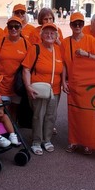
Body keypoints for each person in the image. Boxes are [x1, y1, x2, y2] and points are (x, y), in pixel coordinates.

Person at [61, 12, 95, 155]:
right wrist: (64, 81)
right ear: (70, 25)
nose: (77, 26)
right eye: (74, 24)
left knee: (88, 114)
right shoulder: (65, 42)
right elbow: (64, 64)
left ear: (83, 25)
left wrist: (87, 54)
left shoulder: (90, 40)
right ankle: (73, 141)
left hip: (88, 82)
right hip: (73, 82)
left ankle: (87, 142)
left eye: (80, 24)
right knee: (74, 113)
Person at [22, 23, 64, 156]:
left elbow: (63, 68)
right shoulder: (35, 48)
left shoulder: (58, 50)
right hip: (39, 90)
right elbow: (26, 69)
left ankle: (47, 140)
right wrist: (28, 86)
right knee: (38, 115)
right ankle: (36, 141)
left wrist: (63, 82)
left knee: (51, 115)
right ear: (41, 35)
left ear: (56, 36)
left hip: (55, 89)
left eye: (52, 33)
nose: (49, 35)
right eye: (46, 33)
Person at [0, 16, 29, 120]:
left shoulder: (26, 44)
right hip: (2, 84)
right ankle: (3, 134)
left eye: (16, 26)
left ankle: (13, 131)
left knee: (14, 111)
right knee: (2, 111)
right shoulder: (1, 42)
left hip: (17, 85)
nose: (13, 29)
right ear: (7, 28)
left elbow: (30, 65)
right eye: (11, 26)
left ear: (21, 28)